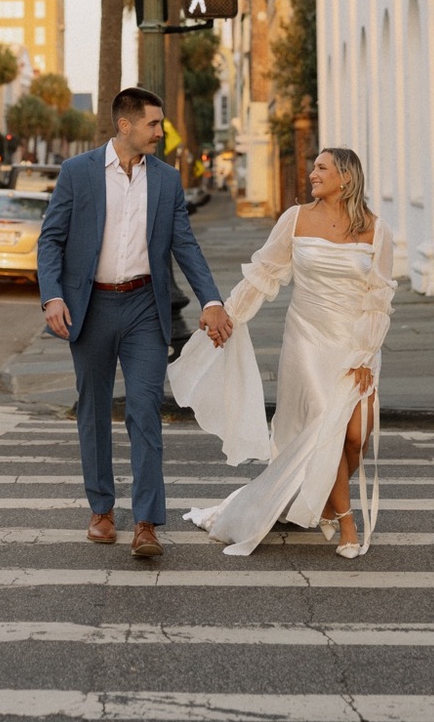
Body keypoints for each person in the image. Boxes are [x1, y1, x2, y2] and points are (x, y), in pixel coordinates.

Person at [168, 147, 396, 557]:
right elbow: (264, 273)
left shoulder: (376, 230)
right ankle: (346, 523)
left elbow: (379, 299)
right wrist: (229, 314)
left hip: (356, 342)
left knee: (356, 437)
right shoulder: (295, 219)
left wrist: (364, 353)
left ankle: (325, 492)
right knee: (327, 421)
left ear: (346, 177)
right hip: (307, 339)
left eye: (322, 167)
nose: (312, 173)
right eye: (313, 166)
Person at [37, 87, 233, 559]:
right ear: (124, 126)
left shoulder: (166, 181)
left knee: (145, 409)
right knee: (94, 408)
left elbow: (185, 245)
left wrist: (211, 300)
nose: (159, 133)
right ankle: (102, 510)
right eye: (152, 124)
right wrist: (53, 296)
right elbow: (50, 240)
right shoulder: (78, 173)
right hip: (92, 307)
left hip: (146, 306)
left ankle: (146, 522)